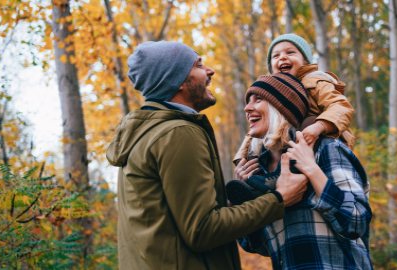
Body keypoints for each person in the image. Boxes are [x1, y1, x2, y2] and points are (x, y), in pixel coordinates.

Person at [106, 41, 309, 270]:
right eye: (198, 65)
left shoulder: (146, 134)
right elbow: (202, 230)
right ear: (179, 80)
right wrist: (279, 199)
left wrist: (231, 201)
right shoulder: (178, 133)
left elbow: (172, 218)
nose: (209, 71)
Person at [235, 74, 373, 270]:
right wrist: (244, 199)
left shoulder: (325, 149)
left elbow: (357, 221)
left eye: (258, 99)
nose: (247, 108)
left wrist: (311, 169)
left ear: (281, 107)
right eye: (248, 101)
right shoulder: (260, 171)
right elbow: (261, 247)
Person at [233, 33, 356, 176]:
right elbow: (254, 128)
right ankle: (256, 180)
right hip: (288, 140)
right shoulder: (274, 91)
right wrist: (242, 158)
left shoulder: (316, 82)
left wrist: (319, 126)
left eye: (290, 52)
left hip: (321, 136)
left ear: (305, 60)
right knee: (261, 140)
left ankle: (302, 172)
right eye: (276, 56)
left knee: (308, 122)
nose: (283, 57)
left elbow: (340, 106)